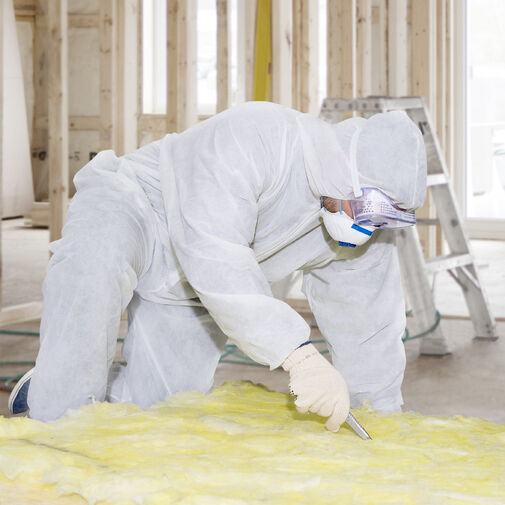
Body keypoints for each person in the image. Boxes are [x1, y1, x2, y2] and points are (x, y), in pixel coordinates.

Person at [9, 102, 426, 431]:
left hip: (194, 293)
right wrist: (298, 356)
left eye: (388, 217)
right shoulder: (262, 135)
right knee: (92, 272)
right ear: (345, 167)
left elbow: (369, 329)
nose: (371, 225)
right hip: (137, 209)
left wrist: (381, 420)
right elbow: (212, 249)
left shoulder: (358, 235)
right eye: (373, 206)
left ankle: (56, 380)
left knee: (161, 415)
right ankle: (52, 408)